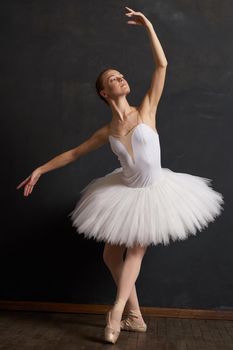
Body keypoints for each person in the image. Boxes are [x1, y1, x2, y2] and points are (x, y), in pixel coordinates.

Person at [16, 6, 224, 344]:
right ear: (104, 93)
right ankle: (136, 317)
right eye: (113, 78)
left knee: (135, 251)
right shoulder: (107, 130)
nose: (121, 78)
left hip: (154, 191)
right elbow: (74, 153)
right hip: (125, 189)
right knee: (110, 254)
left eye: (121, 75)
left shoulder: (147, 109)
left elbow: (162, 65)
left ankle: (116, 312)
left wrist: (149, 26)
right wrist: (40, 169)